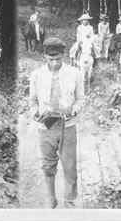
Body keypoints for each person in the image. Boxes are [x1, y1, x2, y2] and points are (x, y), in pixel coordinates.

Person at [29, 37, 85, 209]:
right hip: (47, 124)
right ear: (44, 56)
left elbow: (81, 99)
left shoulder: (75, 73)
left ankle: (70, 200)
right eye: (50, 59)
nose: (54, 63)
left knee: (70, 166)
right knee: (48, 163)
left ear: (64, 55)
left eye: (58, 59)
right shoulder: (36, 75)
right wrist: (36, 113)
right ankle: (51, 198)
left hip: (67, 124)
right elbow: (32, 101)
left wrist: (72, 109)